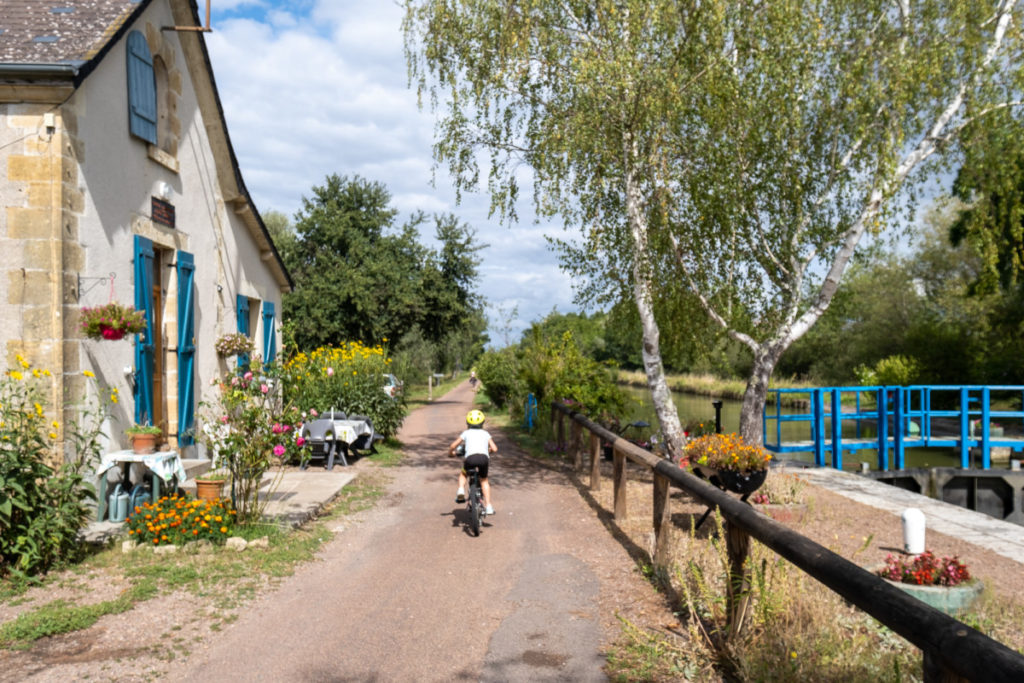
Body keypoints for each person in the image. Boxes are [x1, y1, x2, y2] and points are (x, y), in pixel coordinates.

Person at [449, 409, 497, 515]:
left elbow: (453, 446)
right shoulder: (485, 433)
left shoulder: (466, 433)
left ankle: (461, 490)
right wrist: (487, 451)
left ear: (468, 423)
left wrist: (451, 453)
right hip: (484, 459)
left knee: (463, 473)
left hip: (470, 459)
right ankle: (488, 506)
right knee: (484, 480)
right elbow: (494, 448)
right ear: (482, 423)